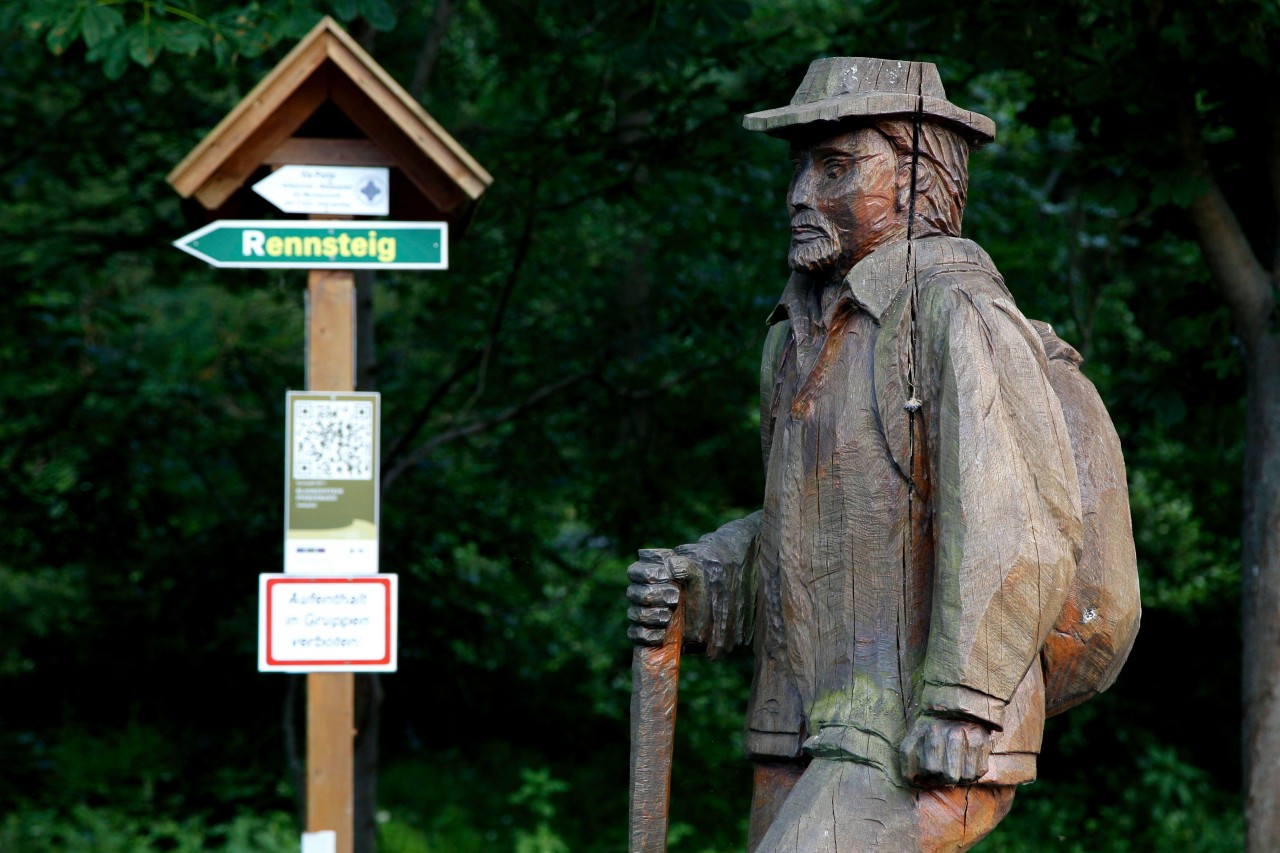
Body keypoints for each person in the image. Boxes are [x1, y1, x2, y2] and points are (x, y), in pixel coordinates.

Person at [627, 57, 1084, 852]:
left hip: (910, 731)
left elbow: (1017, 521)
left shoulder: (952, 311)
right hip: (800, 722)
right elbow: (804, 526)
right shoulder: (793, 334)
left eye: (837, 167)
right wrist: (697, 582)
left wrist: (962, 700)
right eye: (800, 166)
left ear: (916, 180)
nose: (800, 193)